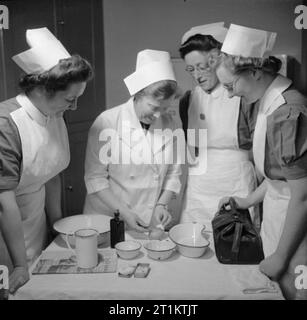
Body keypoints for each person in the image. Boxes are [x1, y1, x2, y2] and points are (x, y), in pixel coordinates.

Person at [217, 24, 307, 300]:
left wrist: (281, 256)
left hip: (295, 235)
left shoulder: (286, 111)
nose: (230, 95)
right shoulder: (267, 102)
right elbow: (278, 176)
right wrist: (248, 201)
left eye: (231, 86)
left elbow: (303, 194)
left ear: (255, 72)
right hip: (278, 219)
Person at [0, 28, 93, 294]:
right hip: (7, 232)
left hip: (36, 221)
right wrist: (18, 265)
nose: (74, 107)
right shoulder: (7, 125)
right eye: (70, 99)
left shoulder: (54, 115)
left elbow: (52, 174)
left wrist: (57, 227)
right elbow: (4, 202)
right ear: (42, 89)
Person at [83, 49, 182, 232]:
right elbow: (95, 178)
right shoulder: (108, 121)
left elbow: (173, 175)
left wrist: (161, 205)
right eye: (153, 107)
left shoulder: (170, 125)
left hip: (147, 216)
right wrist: (124, 212)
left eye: (165, 108)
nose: (158, 115)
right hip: (108, 216)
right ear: (138, 94)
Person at [178, 23, 257, 225]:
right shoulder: (188, 99)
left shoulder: (243, 96)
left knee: (236, 244)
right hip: (198, 186)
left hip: (235, 181)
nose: (197, 75)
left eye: (202, 67)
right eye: (190, 69)